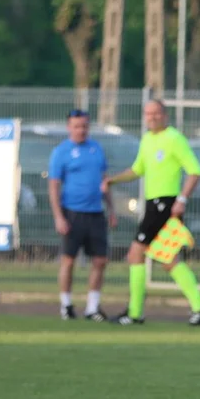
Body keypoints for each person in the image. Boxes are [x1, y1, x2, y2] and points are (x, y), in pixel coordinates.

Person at [102, 100, 200, 326]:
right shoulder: (147, 140)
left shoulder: (174, 138)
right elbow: (137, 169)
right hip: (154, 204)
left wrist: (182, 199)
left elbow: (195, 171)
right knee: (167, 258)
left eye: (156, 113)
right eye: (148, 113)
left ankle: (135, 313)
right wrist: (112, 180)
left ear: (165, 115)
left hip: (167, 203)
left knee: (136, 253)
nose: (151, 117)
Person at [47, 109, 117, 321]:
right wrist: (59, 216)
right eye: (77, 126)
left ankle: (92, 307)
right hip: (72, 213)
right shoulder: (61, 152)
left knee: (100, 260)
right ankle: (66, 305)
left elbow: (104, 181)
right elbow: (54, 186)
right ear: (69, 127)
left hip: (95, 213)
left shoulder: (96, 148)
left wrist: (112, 209)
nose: (81, 130)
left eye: (85, 126)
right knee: (69, 261)